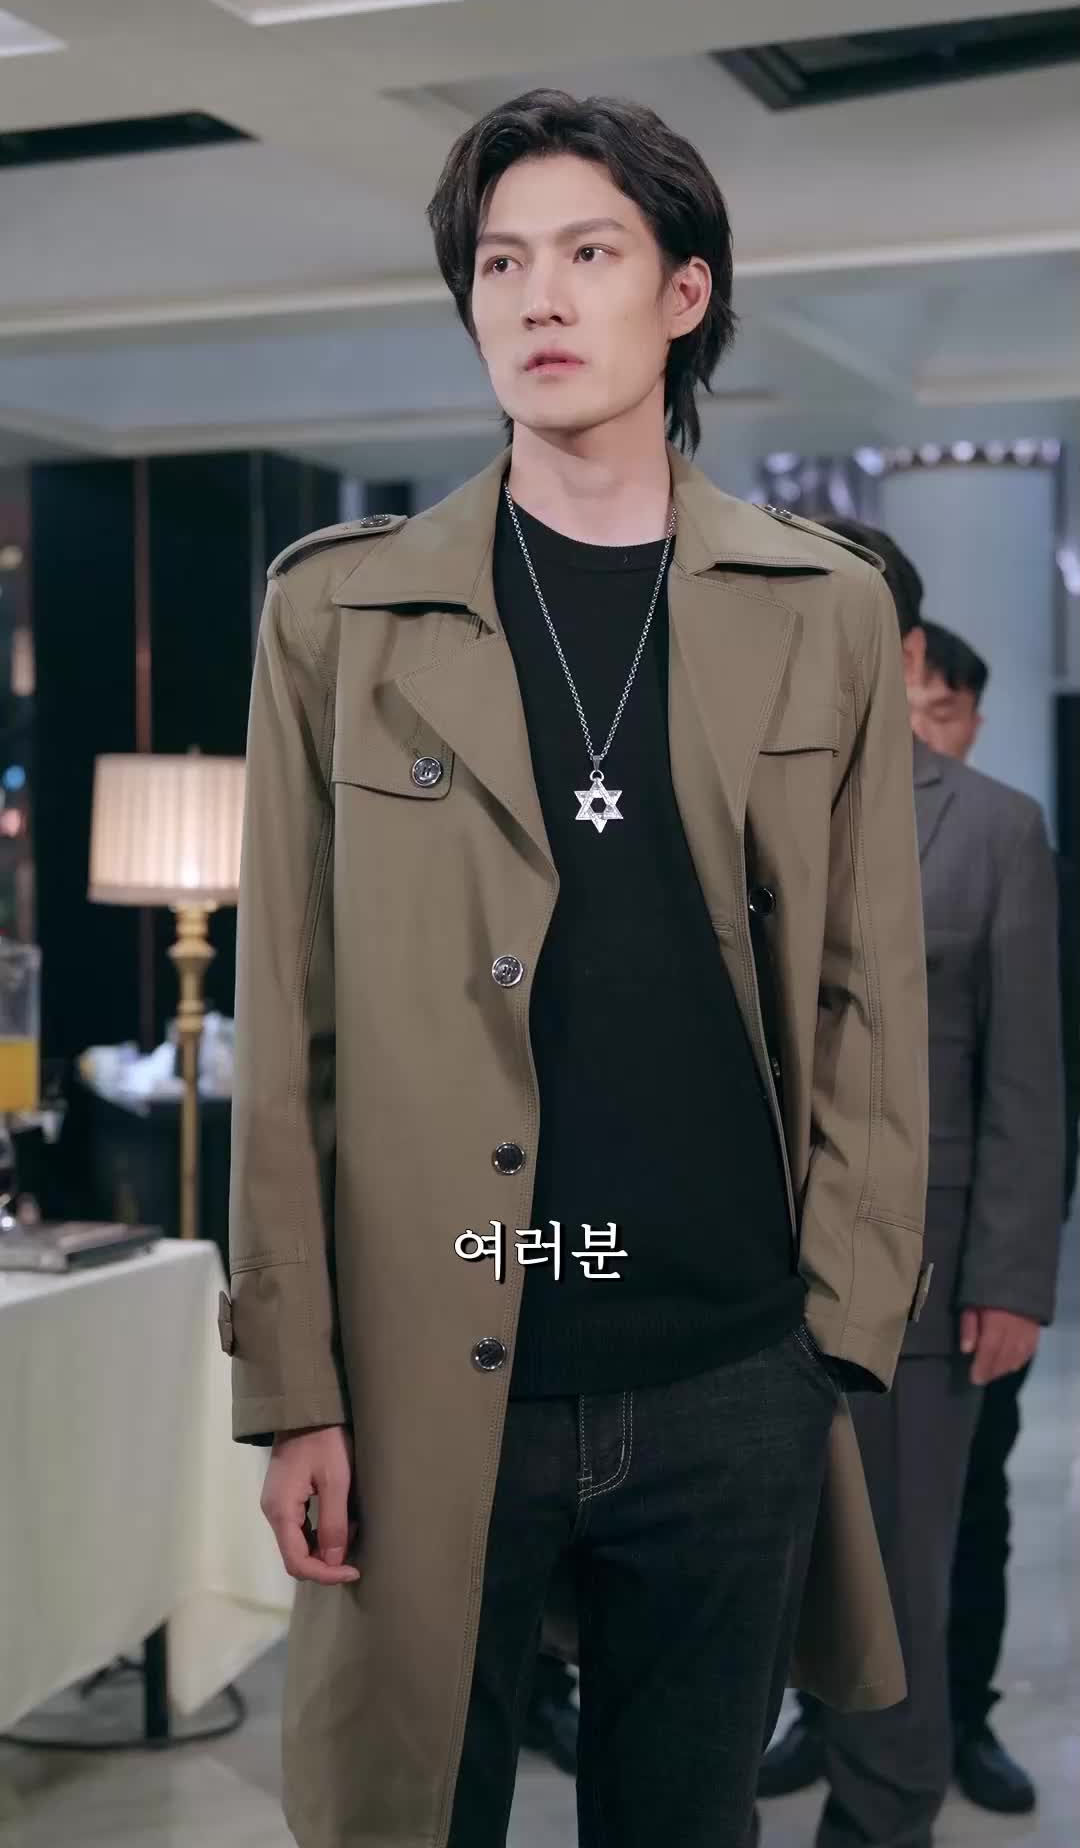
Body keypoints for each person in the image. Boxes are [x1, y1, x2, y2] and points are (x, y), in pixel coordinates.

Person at [224, 90, 930, 1848]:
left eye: (590, 254)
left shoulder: (824, 608)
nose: (536, 297)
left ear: (685, 294)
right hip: (427, 1370)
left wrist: (836, 1340)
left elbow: (868, 999)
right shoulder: (337, 616)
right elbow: (288, 1029)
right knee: (403, 1814)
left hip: (731, 1372)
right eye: (499, 263)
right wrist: (294, 1388)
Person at [758, 534, 1064, 1847]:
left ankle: (885, 1819)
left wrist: (1012, 1279)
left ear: (904, 649)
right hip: (730, 1276)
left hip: (923, 1279)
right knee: (737, 1584)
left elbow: (1026, 1077)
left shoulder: (993, 829)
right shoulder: (721, 798)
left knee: (894, 1584)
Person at [911, 618, 1080, 1814]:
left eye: (944, 714)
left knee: (972, 1502)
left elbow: (1042, 1083)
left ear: (973, 721)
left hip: (975, 1253)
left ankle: (961, 1717)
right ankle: (826, 1712)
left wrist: (1015, 1270)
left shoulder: (1018, 850)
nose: (926, 734)